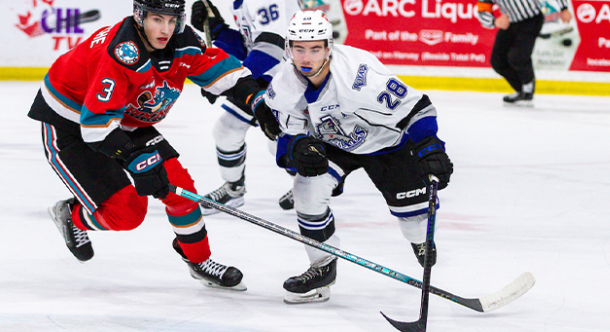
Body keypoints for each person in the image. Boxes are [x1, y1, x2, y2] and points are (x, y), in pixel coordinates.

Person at [27, 0, 274, 291]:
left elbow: (221, 70)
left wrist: (257, 101)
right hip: (70, 123)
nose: (166, 29)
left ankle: (199, 261)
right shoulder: (122, 52)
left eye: (172, 20)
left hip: (125, 116)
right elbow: (95, 124)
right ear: (140, 16)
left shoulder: (183, 40)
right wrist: (134, 158)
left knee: (181, 190)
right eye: (158, 19)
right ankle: (73, 216)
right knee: (127, 214)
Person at [264, 10, 454, 304]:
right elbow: (287, 136)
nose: (306, 58)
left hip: (387, 144)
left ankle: (419, 239)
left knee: (415, 221)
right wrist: (296, 150)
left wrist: (430, 146)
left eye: (315, 49)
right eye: (299, 48)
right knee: (306, 192)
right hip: (335, 144)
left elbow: (418, 108)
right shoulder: (283, 84)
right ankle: (322, 267)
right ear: (289, 48)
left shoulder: (360, 76)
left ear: (328, 47)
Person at [189, 0, 302, 214]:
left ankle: (310, 184)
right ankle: (234, 190)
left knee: (279, 144)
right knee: (227, 129)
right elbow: (249, 47)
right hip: (265, 78)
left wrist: (230, 78)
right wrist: (218, 30)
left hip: (289, 81)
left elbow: (272, 48)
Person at [477, 0, 573, 106]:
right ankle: (520, 89)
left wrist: (564, 8)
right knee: (497, 61)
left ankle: (527, 86)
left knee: (517, 57)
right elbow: (483, 10)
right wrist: (494, 21)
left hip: (532, 20)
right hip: (510, 21)